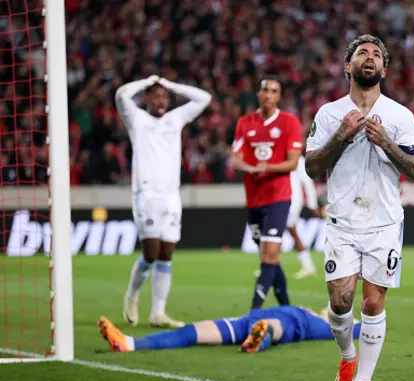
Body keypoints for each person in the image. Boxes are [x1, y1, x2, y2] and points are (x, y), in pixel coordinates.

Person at [305, 34, 414, 381]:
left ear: (384, 69)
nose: (368, 58)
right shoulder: (328, 114)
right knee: (340, 301)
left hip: (385, 222)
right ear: (348, 66)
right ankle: (346, 356)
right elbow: (311, 167)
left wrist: (387, 142)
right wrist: (341, 136)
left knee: (372, 305)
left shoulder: (400, 116)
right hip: (343, 220)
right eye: (362, 53)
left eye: (376, 54)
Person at [115, 75, 212, 328]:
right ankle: (132, 295)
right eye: (155, 95)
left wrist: (170, 85)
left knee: (166, 254)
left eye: (164, 97)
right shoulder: (137, 120)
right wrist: (146, 81)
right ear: (146, 98)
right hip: (146, 194)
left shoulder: (174, 118)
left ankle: (158, 313)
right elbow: (121, 95)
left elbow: (205, 98)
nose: (161, 100)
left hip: (171, 195)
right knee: (150, 252)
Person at [231, 77, 303, 309]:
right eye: (265, 90)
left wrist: (265, 167)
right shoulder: (245, 122)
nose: (268, 95)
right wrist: (250, 168)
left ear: (279, 96)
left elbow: (292, 163)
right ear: (259, 94)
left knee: (268, 256)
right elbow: (236, 159)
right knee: (270, 258)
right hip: (253, 200)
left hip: (278, 198)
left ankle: (254, 310)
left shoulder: (289, 122)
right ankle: (287, 308)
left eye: (274, 91)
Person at [98, 306, 361, 353]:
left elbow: (356, 330)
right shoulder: (312, 313)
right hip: (244, 322)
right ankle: (130, 343)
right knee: (191, 332)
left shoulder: (318, 324)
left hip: (279, 326)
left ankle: (260, 338)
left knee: (274, 328)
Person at [288, 155, 320, 279]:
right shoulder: (277, 154)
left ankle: (308, 266)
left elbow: (307, 181)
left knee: (290, 230)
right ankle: (269, 266)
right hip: (280, 200)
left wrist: (312, 204)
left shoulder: (298, 159)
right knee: (285, 231)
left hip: (292, 200)